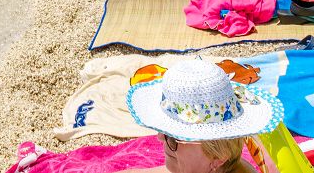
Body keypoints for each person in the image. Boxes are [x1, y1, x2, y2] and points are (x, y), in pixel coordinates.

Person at [119, 57, 280, 173]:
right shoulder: (208, 166)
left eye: (173, 138)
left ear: (218, 157)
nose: (160, 138)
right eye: (164, 132)